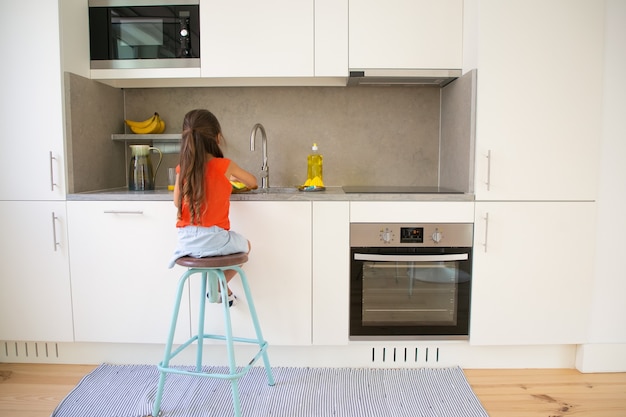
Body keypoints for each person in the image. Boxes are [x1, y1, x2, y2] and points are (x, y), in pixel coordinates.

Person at [168, 109, 258, 307]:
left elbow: (177, 202)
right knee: (246, 245)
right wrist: (231, 177)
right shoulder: (224, 165)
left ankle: (221, 289)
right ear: (217, 138)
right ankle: (219, 284)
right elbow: (252, 182)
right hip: (213, 239)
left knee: (218, 244)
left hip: (185, 243)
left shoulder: (182, 168)